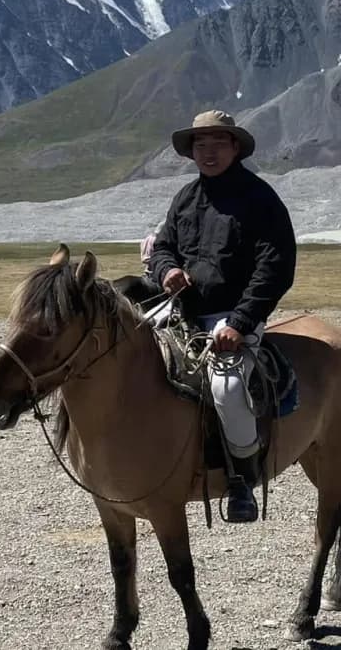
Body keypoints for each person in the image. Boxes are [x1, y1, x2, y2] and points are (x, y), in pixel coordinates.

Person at [143, 110, 296, 523]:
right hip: (183, 314)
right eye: (200, 145)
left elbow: (275, 267)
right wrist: (166, 271)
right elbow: (162, 248)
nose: (207, 153)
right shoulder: (185, 198)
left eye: (216, 144)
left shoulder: (260, 199)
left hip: (234, 317)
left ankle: (242, 478)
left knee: (227, 387)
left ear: (234, 147)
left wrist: (240, 323)